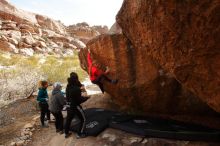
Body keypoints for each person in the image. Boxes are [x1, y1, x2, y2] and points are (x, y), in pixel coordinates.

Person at [64, 72, 89, 139]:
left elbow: (79, 84)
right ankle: (79, 134)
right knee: (83, 119)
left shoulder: (68, 86)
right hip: (74, 106)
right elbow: (80, 100)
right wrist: (86, 98)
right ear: (76, 79)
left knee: (69, 119)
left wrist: (81, 86)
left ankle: (66, 133)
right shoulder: (76, 89)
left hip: (68, 105)